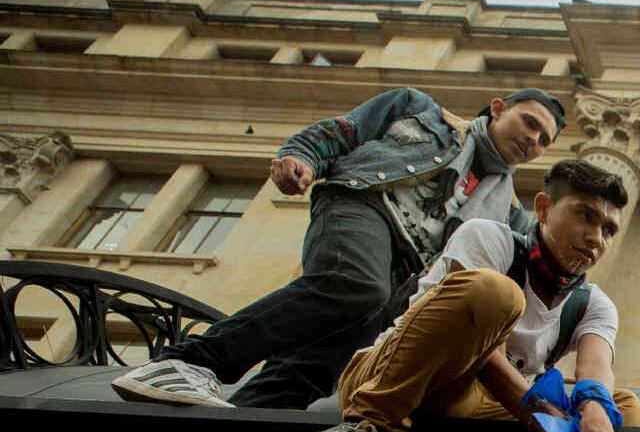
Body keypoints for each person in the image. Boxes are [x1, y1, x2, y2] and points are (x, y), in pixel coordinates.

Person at [112, 86, 565, 411]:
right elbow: (343, 132)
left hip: (408, 271)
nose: (533, 140)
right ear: (498, 108)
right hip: (364, 206)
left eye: (544, 140)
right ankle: (186, 362)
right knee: (354, 286)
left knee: (320, 365)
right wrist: (302, 157)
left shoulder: (508, 214)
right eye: (529, 123)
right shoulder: (418, 110)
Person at [299, 158, 640, 432]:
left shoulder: (593, 303)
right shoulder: (490, 239)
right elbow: (484, 356)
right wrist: (544, 419)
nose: (596, 238)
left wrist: (596, 410)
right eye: (585, 216)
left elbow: (596, 369)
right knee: (496, 293)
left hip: (474, 405)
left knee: (623, 411)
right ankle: (369, 426)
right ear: (543, 208)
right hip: (397, 378)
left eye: (609, 229)